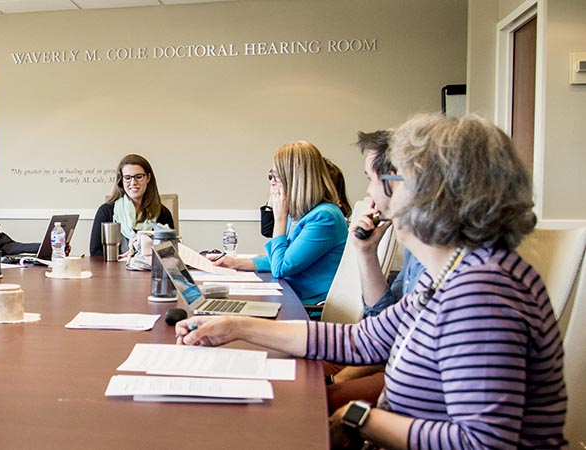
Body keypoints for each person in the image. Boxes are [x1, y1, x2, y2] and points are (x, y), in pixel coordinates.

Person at [178, 114, 566, 449]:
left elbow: (482, 443)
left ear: (423, 191)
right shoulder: (453, 275)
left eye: (381, 179)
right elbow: (360, 340)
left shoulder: (480, 294)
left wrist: (359, 419)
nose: (370, 193)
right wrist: (234, 326)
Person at [324, 130, 428, 411]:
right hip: (386, 355)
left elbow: (392, 341)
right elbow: (383, 322)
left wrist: (337, 381)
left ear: (400, 182)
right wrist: (365, 252)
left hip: (411, 378)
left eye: (370, 179)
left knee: (316, 400)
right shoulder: (421, 252)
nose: (368, 191)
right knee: (293, 365)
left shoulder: (447, 262)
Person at [212, 141, 348, 305]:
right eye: (271, 175)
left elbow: (281, 267)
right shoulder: (302, 212)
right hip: (293, 294)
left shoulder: (325, 217)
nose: (271, 182)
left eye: (276, 176)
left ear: (295, 178)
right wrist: (236, 263)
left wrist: (280, 218)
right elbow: (285, 258)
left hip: (308, 304)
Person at [88, 154, 175, 257]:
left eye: (138, 177)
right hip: (115, 271)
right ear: (121, 180)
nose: (133, 182)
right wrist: (118, 257)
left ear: (148, 178)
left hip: (150, 272)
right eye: (128, 178)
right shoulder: (106, 211)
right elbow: (95, 253)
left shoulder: (163, 213)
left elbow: (170, 254)